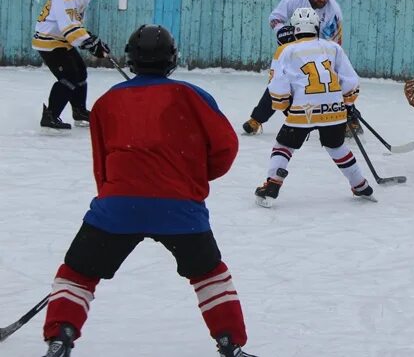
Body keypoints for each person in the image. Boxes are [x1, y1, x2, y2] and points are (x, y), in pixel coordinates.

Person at [40, 25, 257, 357]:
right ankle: (230, 342)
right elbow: (226, 147)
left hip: (118, 205)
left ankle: (61, 336)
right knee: (209, 274)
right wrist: (192, 180)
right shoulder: (193, 95)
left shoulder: (107, 101)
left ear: (132, 59)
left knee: (78, 273)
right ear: (171, 59)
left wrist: (116, 195)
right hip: (180, 206)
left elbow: (102, 163)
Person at [254, 7, 375, 207]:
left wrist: (283, 105)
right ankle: (361, 185)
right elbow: (350, 79)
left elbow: (277, 84)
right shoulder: (332, 47)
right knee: (337, 147)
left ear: (294, 29)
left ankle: (272, 184)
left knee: (284, 146)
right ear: (317, 27)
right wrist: (348, 102)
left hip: (304, 110)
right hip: (334, 110)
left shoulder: (286, 50)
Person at [242, 0, 363, 136]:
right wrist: (281, 31)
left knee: (330, 83)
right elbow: (275, 18)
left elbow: (335, 43)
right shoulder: (294, 0)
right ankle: (257, 119)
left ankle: (350, 119)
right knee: (282, 80)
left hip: (320, 52)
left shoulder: (333, 11)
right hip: (297, 51)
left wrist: (330, 64)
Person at [32, 0, 110, 130]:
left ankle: (79, 110)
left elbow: (74, 23)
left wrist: (91, 39)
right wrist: (89, 43)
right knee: (69, 76)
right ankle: (50, 116)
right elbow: (68, 25)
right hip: (49, 41)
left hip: (61, 39)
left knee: (80, 72)